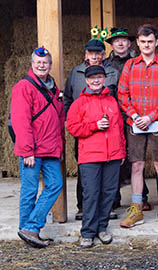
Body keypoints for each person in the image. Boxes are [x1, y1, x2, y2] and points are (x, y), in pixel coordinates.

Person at [118, 24, 158, 229]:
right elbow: (122, 93)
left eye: (150, 42)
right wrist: (134, 115)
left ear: (156, 42)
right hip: (135, 122)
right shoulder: (131, 65)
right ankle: (136, 208)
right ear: (138, 43)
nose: (146, 45)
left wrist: (151, 117)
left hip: (157, 121)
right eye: (142, 42)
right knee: (137, 165)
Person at [66, 65, 126, 248]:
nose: (96, 81)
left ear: (104, 79)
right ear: (86, 80)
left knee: (108, 194)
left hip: (113, 155)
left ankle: (102, 227)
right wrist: (94, 125)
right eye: (92, 78)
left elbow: (119, 128)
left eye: (99, 77)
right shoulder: (79, 103)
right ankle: (88, 232)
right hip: (90, 156)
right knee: (91, 194)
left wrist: (122, 151)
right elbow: (72, 127)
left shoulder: (112, 101)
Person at [11, 47, 64, 248]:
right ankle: (28, 232)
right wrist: (26, 151)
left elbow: (59, 120)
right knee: (29, 191)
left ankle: (30, 228)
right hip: (32, 150)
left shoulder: (53, 88)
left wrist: (59, 148)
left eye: (45, 63)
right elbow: (20, 121)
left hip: (50, 149)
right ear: (32, 64)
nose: (42, 65)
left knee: (55, 185)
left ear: (50, 65)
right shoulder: (23, 87)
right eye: (38, 62)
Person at [64, 36, 119, 221]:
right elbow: (68, 99)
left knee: (109, 173)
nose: (94, 56)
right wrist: (71, 119)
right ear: (85, 54)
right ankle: (83, 207)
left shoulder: (112, 72)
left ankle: (109, 207)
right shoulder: (75, 72)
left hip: (109, 131)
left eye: (98, 53)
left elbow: (118, 100)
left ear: (103, 54)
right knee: (86, 170)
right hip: (85, 131)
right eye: (91, 53)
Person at [106, 26, 152, 213]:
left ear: (130, 43)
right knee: (115, 156)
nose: (120, 43)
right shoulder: (106, 64)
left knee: (137, 157)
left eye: (124, 40)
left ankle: (142, 196)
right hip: (112, 116)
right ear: (112, 44)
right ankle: (114, 196)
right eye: (116, 40)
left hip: (134, 114)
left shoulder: (136, 61)